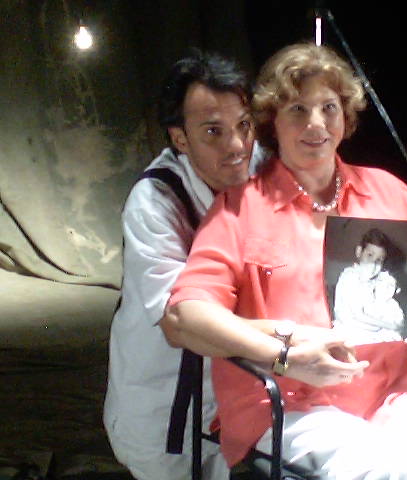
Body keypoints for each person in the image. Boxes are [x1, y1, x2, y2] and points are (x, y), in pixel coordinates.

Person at [163, 42, 407, 479]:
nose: (316, 123)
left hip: (395, 395)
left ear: (345, 116)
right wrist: (284, 356)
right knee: (376, 469)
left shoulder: (387, 192)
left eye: (328, 107)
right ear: (272, 121)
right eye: (297, 109)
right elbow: (186, 315)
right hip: (290, 403)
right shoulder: (239, 208)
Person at [103, 49, 263, 480]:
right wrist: (288, 347)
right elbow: (182, 324)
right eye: (213, 131)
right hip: (165, 407)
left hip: (234, 397)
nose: (237, 146)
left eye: (244, 125)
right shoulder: (155, 203)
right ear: (180, 138)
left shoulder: (261, 167)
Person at [333, 229, 405, 343]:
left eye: (379, 260)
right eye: (369, 255)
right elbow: (357, 315)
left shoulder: (375, 282)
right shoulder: (350, 276)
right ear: (359, 252)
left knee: (395, 338)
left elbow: (384, 306)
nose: (373, 264)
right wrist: (390, 326)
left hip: (370, 331)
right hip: (350, 331)